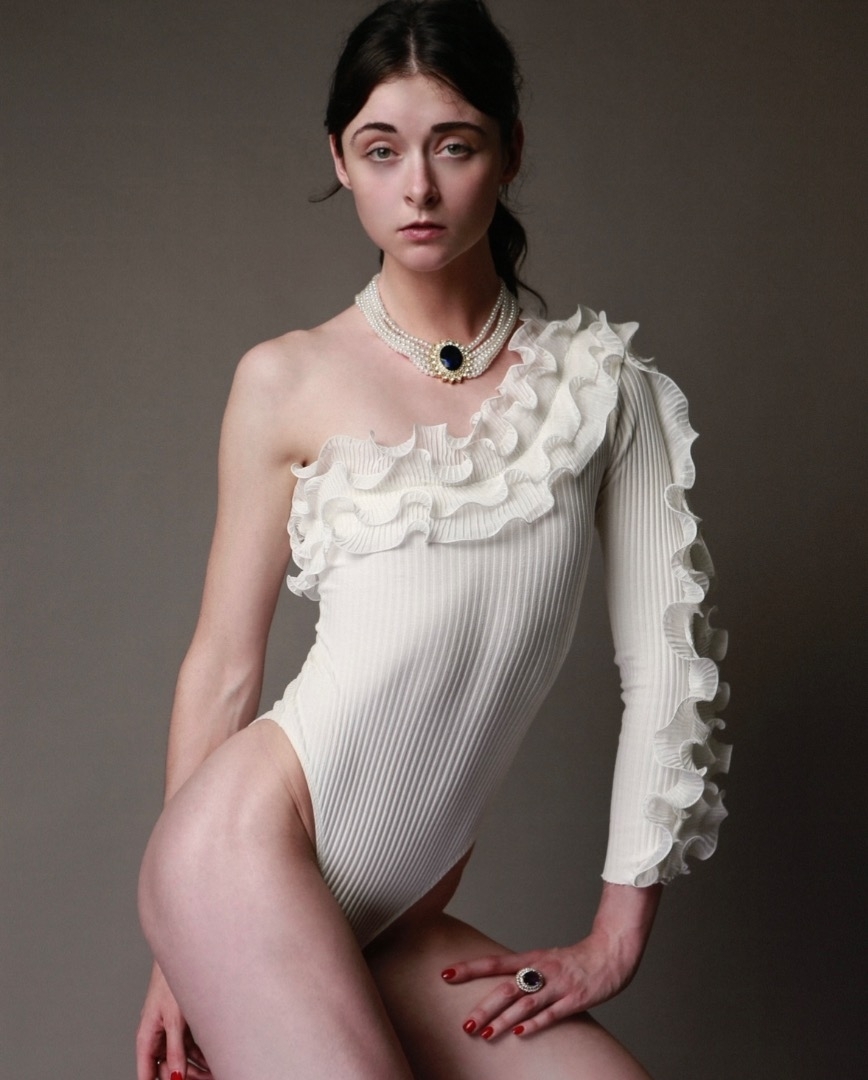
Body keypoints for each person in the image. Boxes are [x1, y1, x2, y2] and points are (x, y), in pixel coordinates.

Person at [135, 1, 730, 1077]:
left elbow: (665, 669)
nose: (417, 187)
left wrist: (615, 936)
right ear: (341, 161)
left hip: (396, 911)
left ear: (509, 153)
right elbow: (222, 667)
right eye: (381, 150)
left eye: (453, 146)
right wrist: (181, 950)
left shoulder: (608, 390)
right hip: (240, 852)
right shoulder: (285, 379)